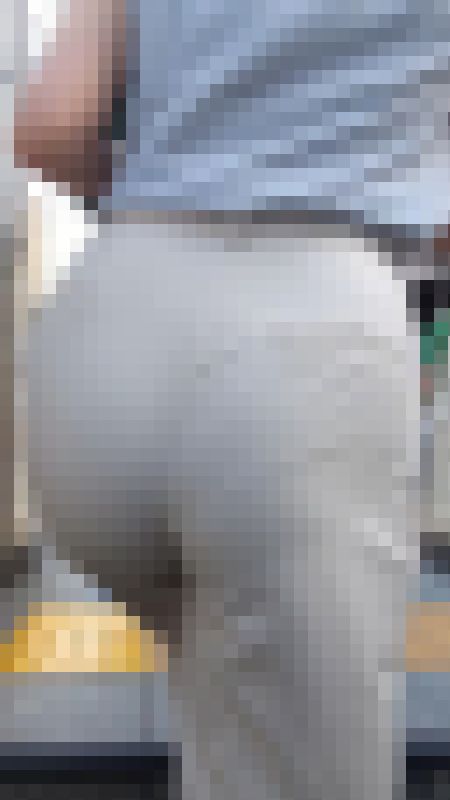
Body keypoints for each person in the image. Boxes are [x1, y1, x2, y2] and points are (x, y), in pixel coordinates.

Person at [18, 3, 422, 798]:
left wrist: (174, 186)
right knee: (310, 765)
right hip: (307, 334)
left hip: (111, 313)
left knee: (223, 703)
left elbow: (52, 127)